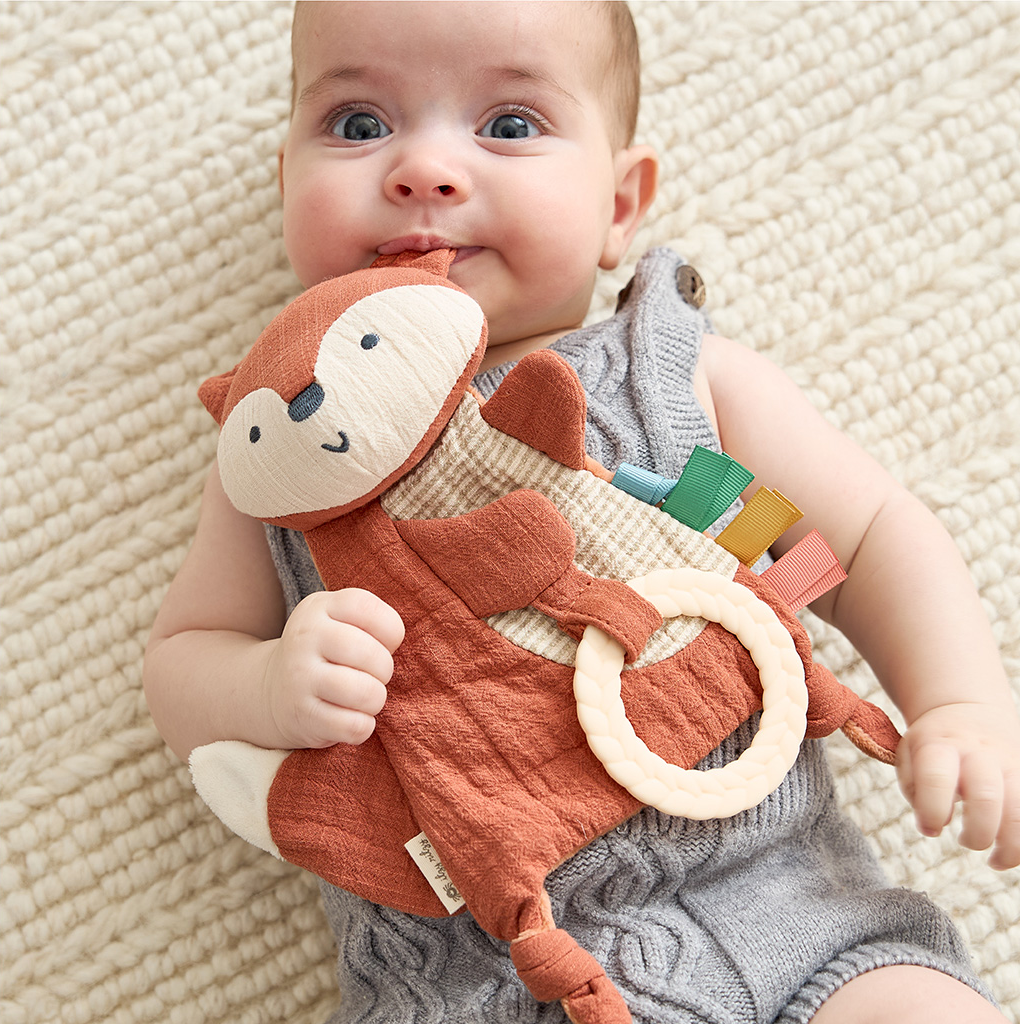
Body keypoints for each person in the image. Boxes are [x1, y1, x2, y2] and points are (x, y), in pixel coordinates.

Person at [143, 2, 1018, 1021]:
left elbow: (860, 540)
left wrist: (960, 700)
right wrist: (270, 684)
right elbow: (184, 658)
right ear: (286, 182)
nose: (423, 170)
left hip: (790, 923)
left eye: (508, 125)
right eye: (357, 124)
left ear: (618, 204)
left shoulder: (674, 386)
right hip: (478, 985)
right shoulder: (282, 451)